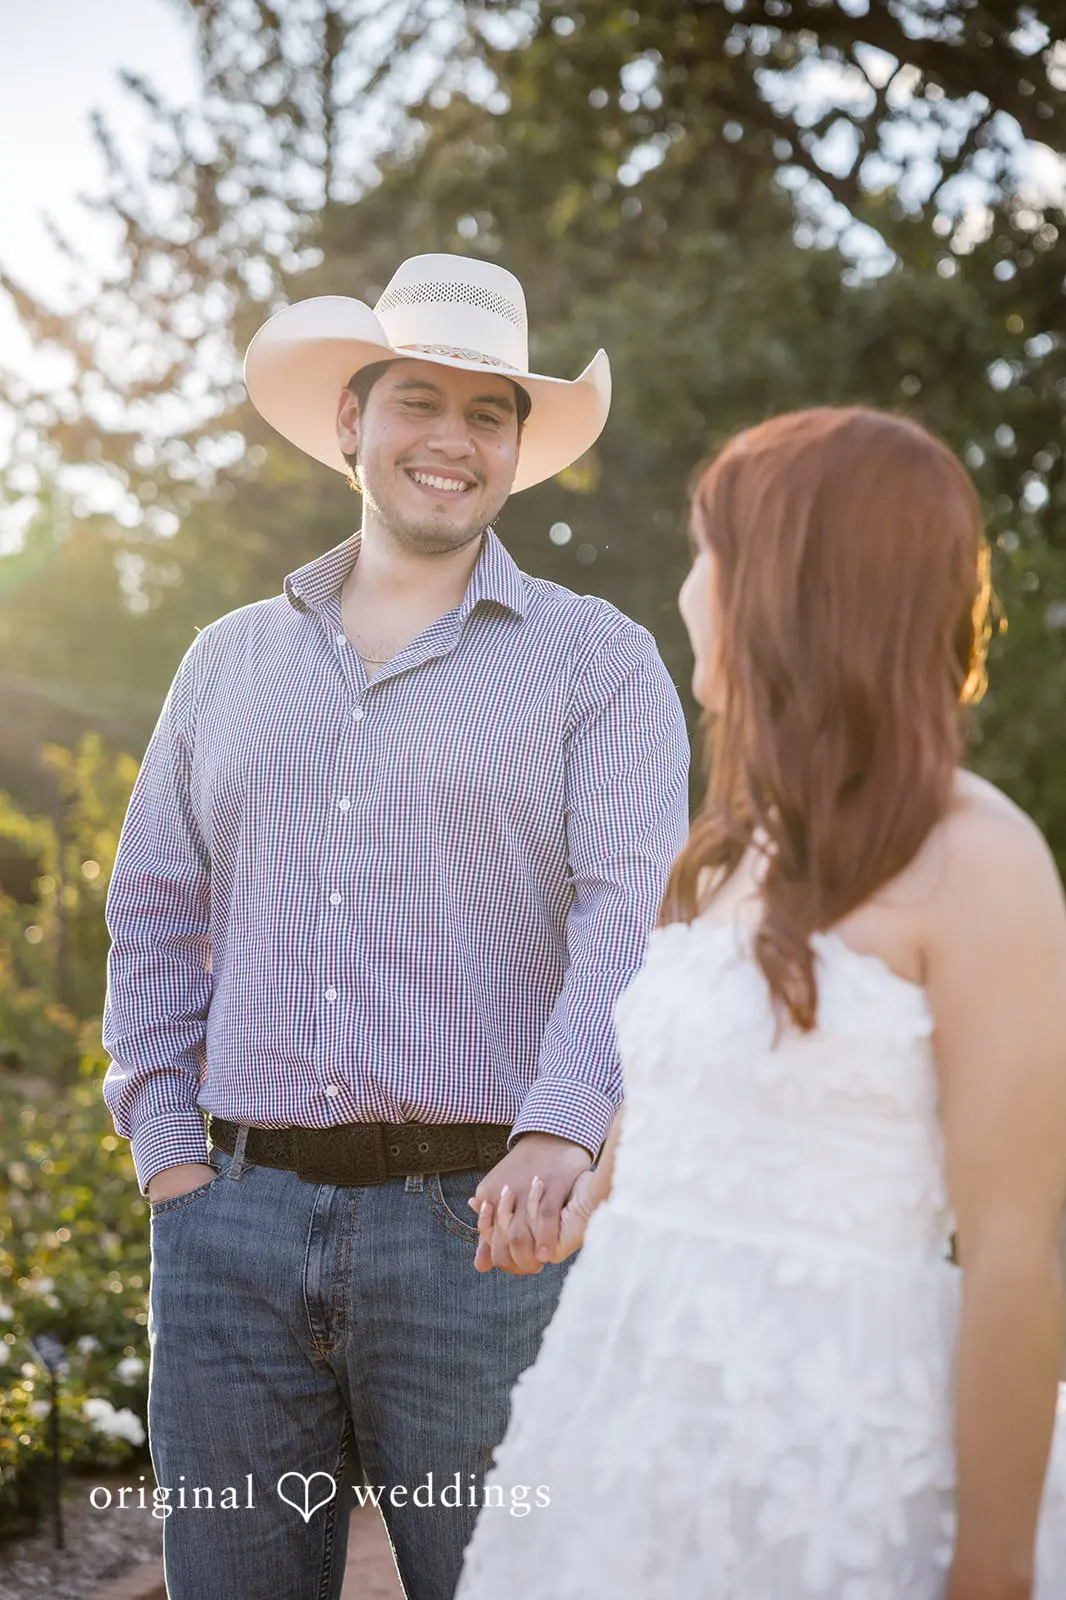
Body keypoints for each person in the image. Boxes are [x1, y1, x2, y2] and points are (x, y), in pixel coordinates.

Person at [100, 252, 690, 1600]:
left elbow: (627, 906)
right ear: (349, 424)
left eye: (489, 414)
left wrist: (560, 1123)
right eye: (417, 400)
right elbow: (153, 914)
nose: (450, 439)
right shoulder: (224, 662)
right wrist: (167, 1157)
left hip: (482, 1238)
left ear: (517, 449)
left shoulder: (594, 660)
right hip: (227, 1232)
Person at [455, 406, 1066, 1599]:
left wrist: (986, 1570)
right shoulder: (731, 850)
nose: (687, 592)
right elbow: (684, 1086)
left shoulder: (978, 859)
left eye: (705, 556)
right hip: (631, 1413)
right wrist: (587, 1197)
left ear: (792, 587)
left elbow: (1010, 1251)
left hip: (832, 1441)